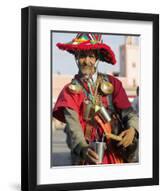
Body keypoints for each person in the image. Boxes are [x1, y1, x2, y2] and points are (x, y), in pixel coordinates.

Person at [53, 33, 139, 165]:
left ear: (97, 58)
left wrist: (132, 130)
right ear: (76, 57)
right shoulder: (69, 91)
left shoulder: (113, 83)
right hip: (87, 155)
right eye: (82, 56)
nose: (87, 61)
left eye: (91, 56)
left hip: (115, 154)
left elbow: (129, 113)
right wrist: (83, 148)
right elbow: (73, 126)